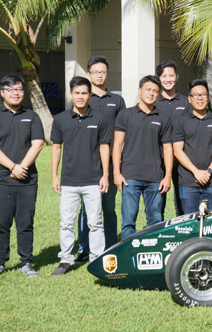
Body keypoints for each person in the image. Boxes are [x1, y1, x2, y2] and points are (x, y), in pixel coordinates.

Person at [0, 75, 44, 278]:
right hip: (1, 181)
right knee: (1, 223)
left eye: (19, 89)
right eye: (11, 89)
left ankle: (27, 262)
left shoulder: (32, 116)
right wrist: (12, 167)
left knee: (25, 223)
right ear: (2, 93)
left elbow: (38, 143)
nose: (16, 93)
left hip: (27, 181)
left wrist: (22, 167)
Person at [50, 77, 111, 275]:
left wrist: (105, 175)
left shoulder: (100, 119)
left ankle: (96, 258)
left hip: (93, 180)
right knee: (66, 223)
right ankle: (65, 260)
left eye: (84, 93)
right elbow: (56, 148)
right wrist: (54, 176)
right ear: (71, 95)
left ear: (90, 95)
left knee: (95, 222)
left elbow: (104, 147)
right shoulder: (60, 119)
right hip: (68, 181)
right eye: (77, 93)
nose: (81, 96)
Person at [75, 56, 125, 263]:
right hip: (87, 161)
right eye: (95, 72)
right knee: (86, 208)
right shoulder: (84, 98)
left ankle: (110, 245)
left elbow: (123, 132)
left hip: (111, 161)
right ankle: (83, 249)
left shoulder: (117, 100)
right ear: (88, 74)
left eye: (103, 72)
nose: (99, 75)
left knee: (108, 207)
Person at [114, 75, 173, 240]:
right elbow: (117, 145)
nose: (151, 93)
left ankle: (154, 252)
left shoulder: (163, 118)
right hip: (129, 177)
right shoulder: (125, 115)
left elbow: (168, 149)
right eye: (148, 89)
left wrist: (167, 176)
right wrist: (117, 173)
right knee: (128, 221)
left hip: (155, 178)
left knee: (155, 220)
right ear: (140, 90)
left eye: (155, 91)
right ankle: (127, 255)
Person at [173, 79, 212, 213]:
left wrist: (208, 171)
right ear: (189, 99)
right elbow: (177, 151)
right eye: (196, 95)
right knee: (189, 221)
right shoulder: (181, 121)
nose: (200, 98)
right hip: (188, 181)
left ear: (208, 98)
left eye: (203, 95)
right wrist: (196, 172)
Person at [156, 60, 190, 216]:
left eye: (171, 75)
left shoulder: (186, 102)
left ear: (177, 77)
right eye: (164, 76)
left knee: (182, 201)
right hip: (157, 160)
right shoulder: (153, 102)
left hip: (182, 159)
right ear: (159, 78)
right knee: (157, 204)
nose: (167, 79)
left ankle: (183, 234)